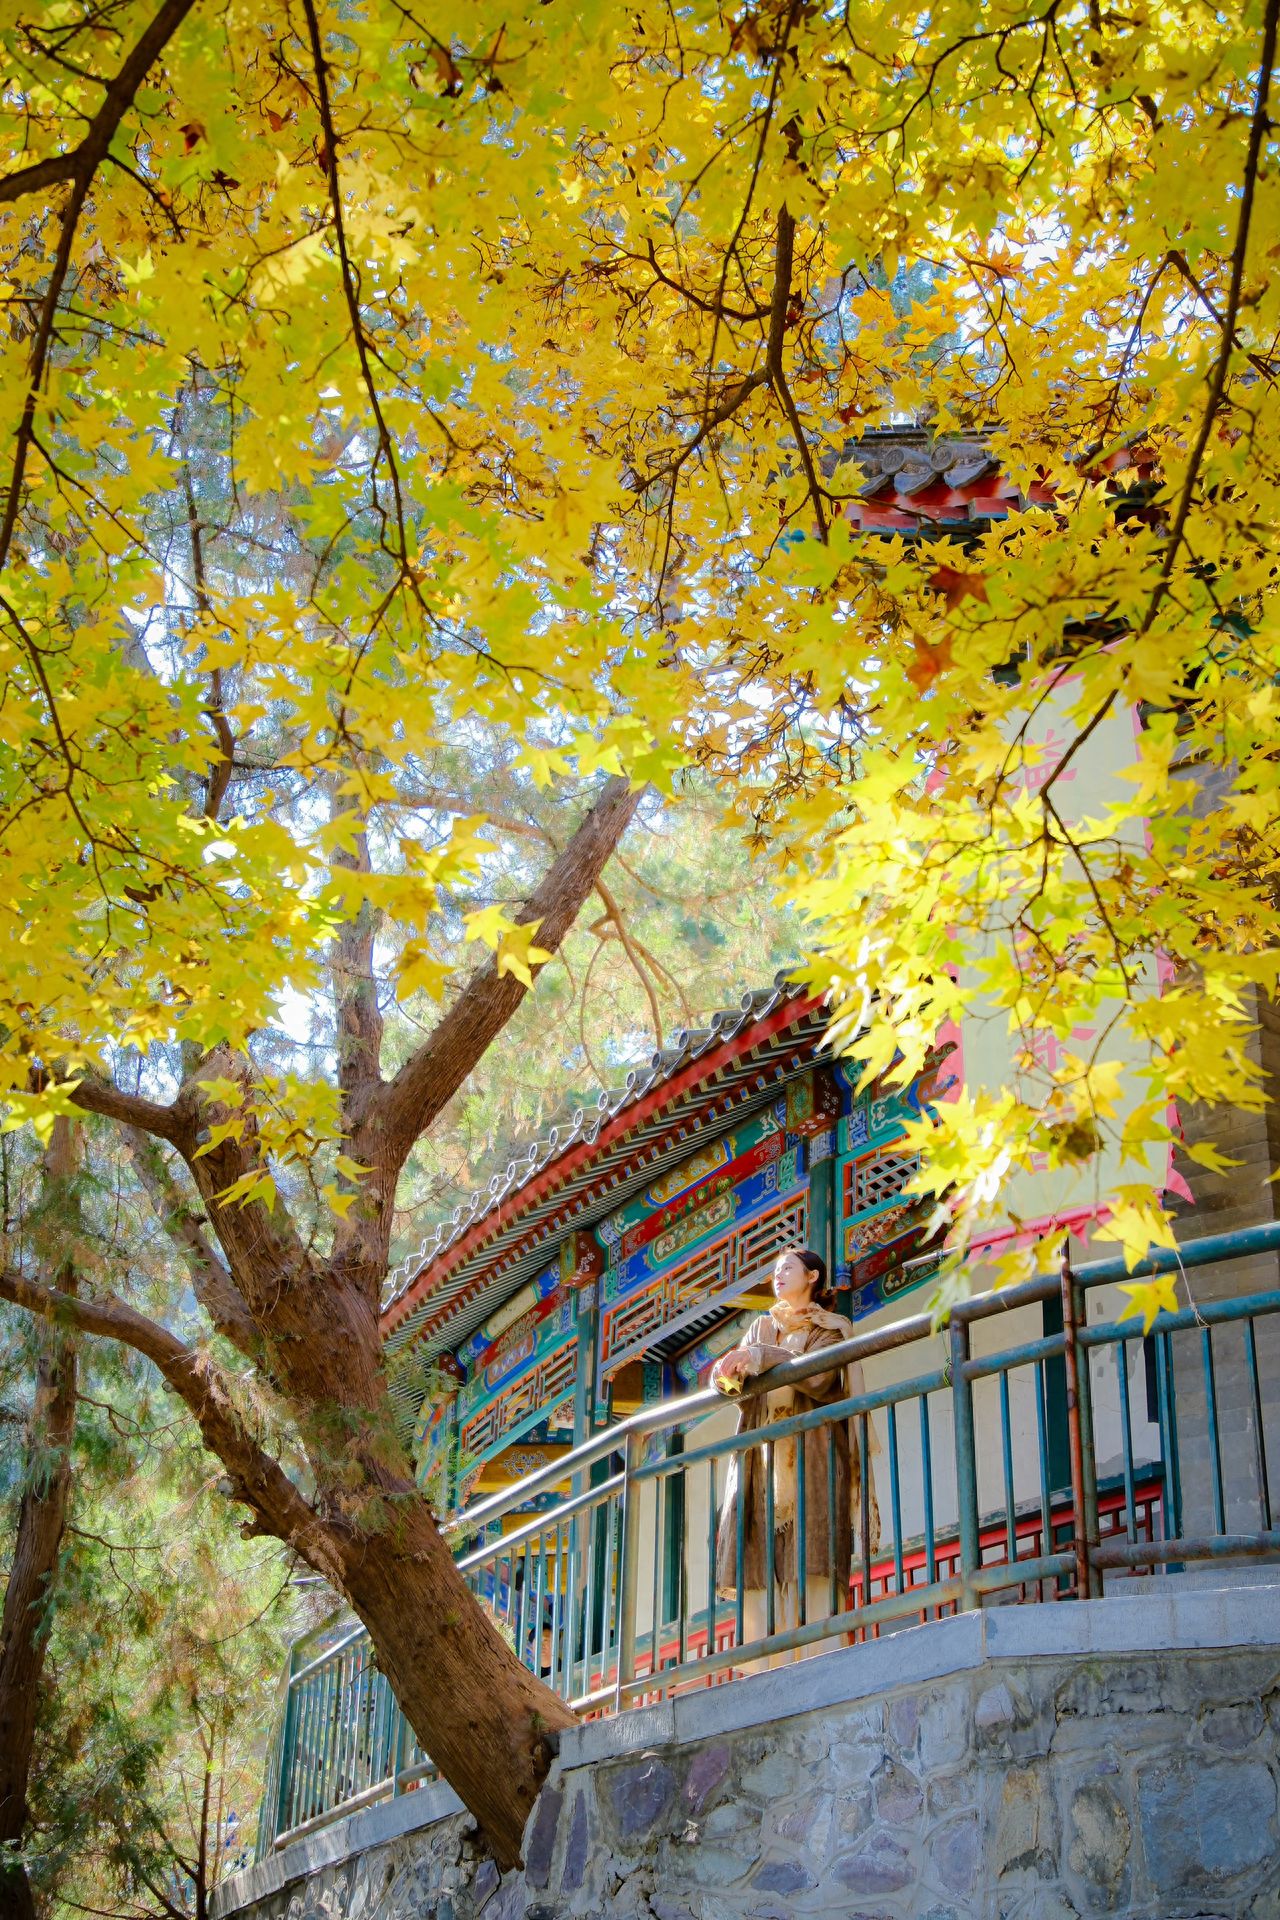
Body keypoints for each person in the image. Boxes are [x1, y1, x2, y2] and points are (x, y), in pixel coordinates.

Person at [711, 1245, 880, 1668]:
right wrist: (726, 1375)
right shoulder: (760, 1329)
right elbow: (742, 1390)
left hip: (815, 1457)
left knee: (813, 1557)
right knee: (762, 1559)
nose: (778, 1275)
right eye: (775, 1270)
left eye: (788, 1268)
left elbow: (820, 1375)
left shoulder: (831, 1329)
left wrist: (762, 1359)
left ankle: (821, 1665)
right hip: (763, 1463)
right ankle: (762, 1669)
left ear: (813, 1277)